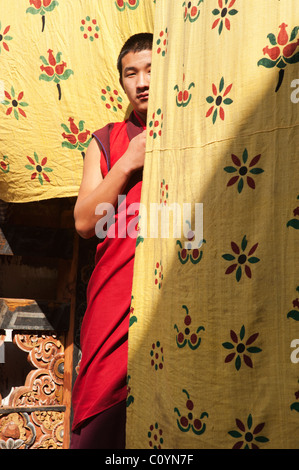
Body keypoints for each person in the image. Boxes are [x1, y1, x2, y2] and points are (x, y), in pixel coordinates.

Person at [70, 33, 153, 449]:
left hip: (178, 298)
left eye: (152, 69)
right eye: (130, 73)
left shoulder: (200, 135)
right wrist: (127, 163)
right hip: (113, 300)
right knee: (98, 432)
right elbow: (85, 222)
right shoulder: (107, 139)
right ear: (121, 83)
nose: (142, 82)